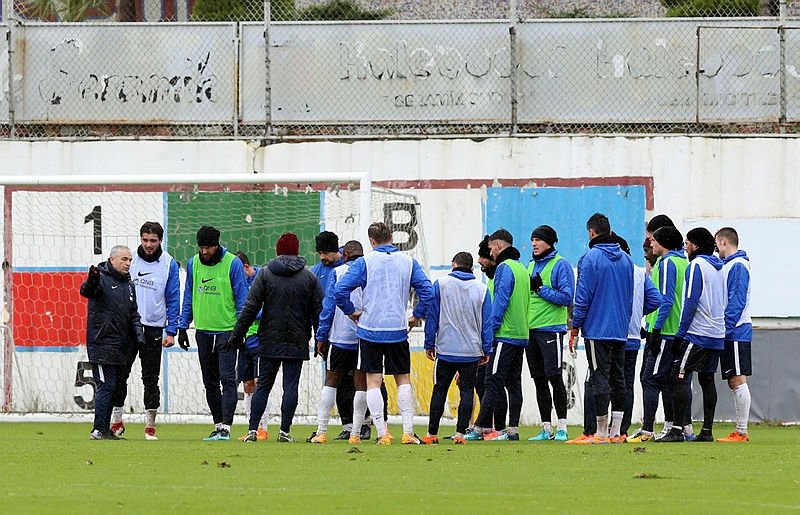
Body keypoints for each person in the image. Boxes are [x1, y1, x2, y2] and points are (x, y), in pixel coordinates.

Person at [334, 222, 433, 445]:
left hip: (370, 330)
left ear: (372, 241)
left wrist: (351, 312)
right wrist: (416, 315)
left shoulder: (364, 262)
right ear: (391, 237)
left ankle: (382, 433)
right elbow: (427, 291)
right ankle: (408, 432)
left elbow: (340, 290)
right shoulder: (408, 262)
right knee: (403, 379)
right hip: (398, 329)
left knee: (373, 382)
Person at [232, 233, 324, 443]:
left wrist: (237, 335)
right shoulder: (309, 277)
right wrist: (321, 338)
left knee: (263, 385)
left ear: (277, 250)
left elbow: (250, 307)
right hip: (297, 339)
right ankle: (284, 432)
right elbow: (319, 310)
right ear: (298, 250)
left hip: (269, 338)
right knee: (290, 387)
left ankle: (253, 430)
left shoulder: (265, 274)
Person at [109, 222, 180, 441]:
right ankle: (117, 421)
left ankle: (150, 426)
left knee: (150, 378)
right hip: (129, 327)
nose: (148, 245)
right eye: (145, 240)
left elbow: (173, 297)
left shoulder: (168, 263)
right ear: (140, 239)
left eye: (153, 240)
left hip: (154, 329)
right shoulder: (130, 260)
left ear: (160, 240)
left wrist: (172, 330)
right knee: (120, 375)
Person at [177, 226, 248, 441]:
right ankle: (218, 425)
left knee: (227, 379)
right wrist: (183, 326)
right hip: (203, 332)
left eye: (208, 247)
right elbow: (188, 295)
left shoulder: (232, 263)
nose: (204, 251)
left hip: (227, 331)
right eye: (201, 247)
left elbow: (243, 299)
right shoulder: (193, 263)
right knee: (209, 381)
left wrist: (240, 331)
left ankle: (226, 428)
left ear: (217, 245)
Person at [658, 227, 725, 443]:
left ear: (695, 245)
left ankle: (677, 429)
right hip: (717, 332)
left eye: (687, 243)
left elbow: (690, 301)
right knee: (707, 379)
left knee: (679, 374)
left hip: (698, 332)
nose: (685, 247)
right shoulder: (720, 267)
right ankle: (706, 430)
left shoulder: (696, 266)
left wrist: (680, 334)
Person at [571, 213, 633, 444]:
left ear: (591, 232)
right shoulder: (626, 260)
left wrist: (576, 326)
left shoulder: (590, 258)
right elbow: (629, 297)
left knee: (599, 379)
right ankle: (616, 432)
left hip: (597, 330)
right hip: (619, 329)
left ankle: (600, 432)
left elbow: (583, 296)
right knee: (619, 379)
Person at [421, 252, 492, 445]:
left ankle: (431, 434)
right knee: (467, 392)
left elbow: (432, 316)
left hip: (445, 350)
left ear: (454, 265)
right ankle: (460, 434)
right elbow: (487, 323)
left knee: (440, 390)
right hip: (471, 352)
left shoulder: (441, 285)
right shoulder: (482, 289)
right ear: (471, 268)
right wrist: (487, 349)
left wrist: (429, 343)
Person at [628, 225, 689, 443]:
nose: (650, 244)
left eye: (653, 240)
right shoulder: (684, 262)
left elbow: (666, 300)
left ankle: (647, 430)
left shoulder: (667, 263)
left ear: (662, 242)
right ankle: (673, 427)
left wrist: (655, 329)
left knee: (650, 378)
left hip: (665, 331)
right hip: (677, 331)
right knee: (668, 382)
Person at [310, 231, 371, 442]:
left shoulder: (338, 273)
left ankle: (321, 431)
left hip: (339, 338)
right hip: (364, 337)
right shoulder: (370, 270)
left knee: (331, 381)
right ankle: (357, 432)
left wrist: (321, 335)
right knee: (361, 383)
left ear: (344, 254)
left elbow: (328, 307)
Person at [468, 229, 528, 442]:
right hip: (521, 334)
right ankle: (511, 429)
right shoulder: (521, 268)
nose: (490, 252)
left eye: (492, 247)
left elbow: (500, 302)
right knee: (514, 384)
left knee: (491, 381)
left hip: (505, 334)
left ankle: (479, 428)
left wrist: (490, 333)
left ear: (499, 246)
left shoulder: (504, 268)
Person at [80, 245, 145, 440]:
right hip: (102, 344)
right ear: (112, 260)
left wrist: (139, 336)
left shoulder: (129, 285)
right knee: (106, 386)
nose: (128, 263)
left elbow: (133, 315)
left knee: (115, 387)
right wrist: (91, 280)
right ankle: (99, 429)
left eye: (130, 260)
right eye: (124, 259)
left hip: (121, 346)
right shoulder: (100, 278)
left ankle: (105, 429)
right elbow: (87, 291)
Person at [525, 225, 574, 442]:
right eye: (532, 239)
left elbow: (566, 297)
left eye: (538, 239)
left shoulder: (560, 264)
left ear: (549, 242)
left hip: (550, 330)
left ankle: (562, 427)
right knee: (538, 380)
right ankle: (546, 428)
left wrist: (541, 289)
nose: (534, 243)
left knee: (554, 377)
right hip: (531, 330)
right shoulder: (530, 266)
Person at [714, 227, 753, 443]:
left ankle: (741, 431)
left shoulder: (738, 266)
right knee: (734, 379)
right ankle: (740, 430)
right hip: (732, 330)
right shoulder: (730, 265)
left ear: (722, 242)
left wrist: (725, 327)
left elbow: (736, 300)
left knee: (737, 378)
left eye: (716, 244)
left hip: (735, 330)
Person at [234, 251, 269, 441]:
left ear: (246, 267)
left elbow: (267, 308)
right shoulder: (238, 283)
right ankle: (251, 428)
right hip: (243, 339)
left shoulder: (263, 279)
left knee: (259, 383)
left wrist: (249, 313)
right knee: (247, 384)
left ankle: (263, 427)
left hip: (259, 337)